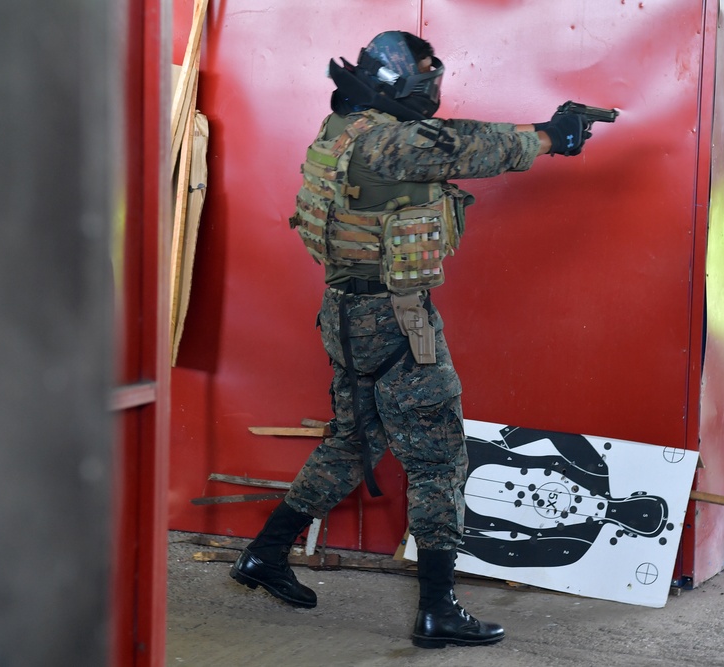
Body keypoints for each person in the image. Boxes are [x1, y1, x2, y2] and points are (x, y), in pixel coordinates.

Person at [230, 30, 595, 649]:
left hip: (345, 313)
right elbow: (467, 147)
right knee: (438, 458)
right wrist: (551, 135)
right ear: (400, 82)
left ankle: (263, 555)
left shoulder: (342, 127)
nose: (434, 83)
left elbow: (448, 143)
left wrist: (544, 131)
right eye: (426, 73)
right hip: (397, 322)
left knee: (353, 441)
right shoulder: (392, 142)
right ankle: (438, 609)